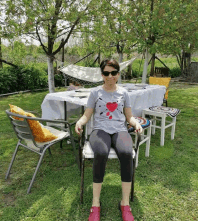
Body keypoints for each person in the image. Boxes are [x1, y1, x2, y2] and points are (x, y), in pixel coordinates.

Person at [75, 59, 143, 221]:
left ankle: (125, 203)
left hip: (120, 130)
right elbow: (87, 114)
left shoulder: (124, 93)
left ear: (118, 74)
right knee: (101, 152)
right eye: (106, 73)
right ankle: (95, 203)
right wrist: (80, 122)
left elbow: (129, 117)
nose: (110, 76)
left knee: (127, 153)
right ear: (102, 75)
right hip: (100, 131)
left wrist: (136, 123)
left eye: (113, 73)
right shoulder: (95, 93)